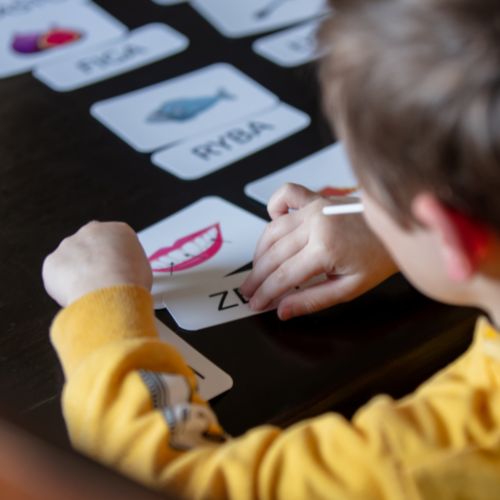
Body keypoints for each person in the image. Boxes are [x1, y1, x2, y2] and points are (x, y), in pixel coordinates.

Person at [43, 0, 500, 498]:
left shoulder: (437, 457)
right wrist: (397, 226)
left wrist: (104, 307)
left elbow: (164, 482)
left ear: (454, 236)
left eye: (366, 185)